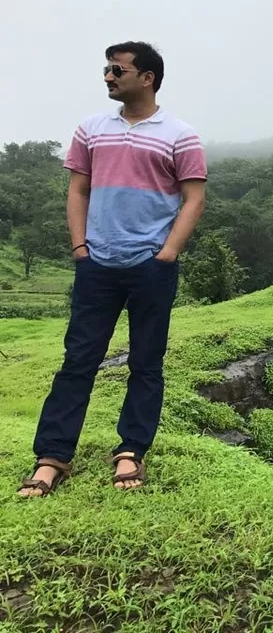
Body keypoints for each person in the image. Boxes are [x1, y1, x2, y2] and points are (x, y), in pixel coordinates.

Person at [17, 41, 207, 496]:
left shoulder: (181, 134)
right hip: (97, 264)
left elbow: (194, 197)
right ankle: (52, 457)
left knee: (146, 362)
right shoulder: (91, 129)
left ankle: (131, 452)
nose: (108, 76)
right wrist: (80, 246)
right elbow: (78, 190)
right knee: (78, 361)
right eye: (107, 69)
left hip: (151, 266)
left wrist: (168, 253)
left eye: (117, 69)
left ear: (147, 77)